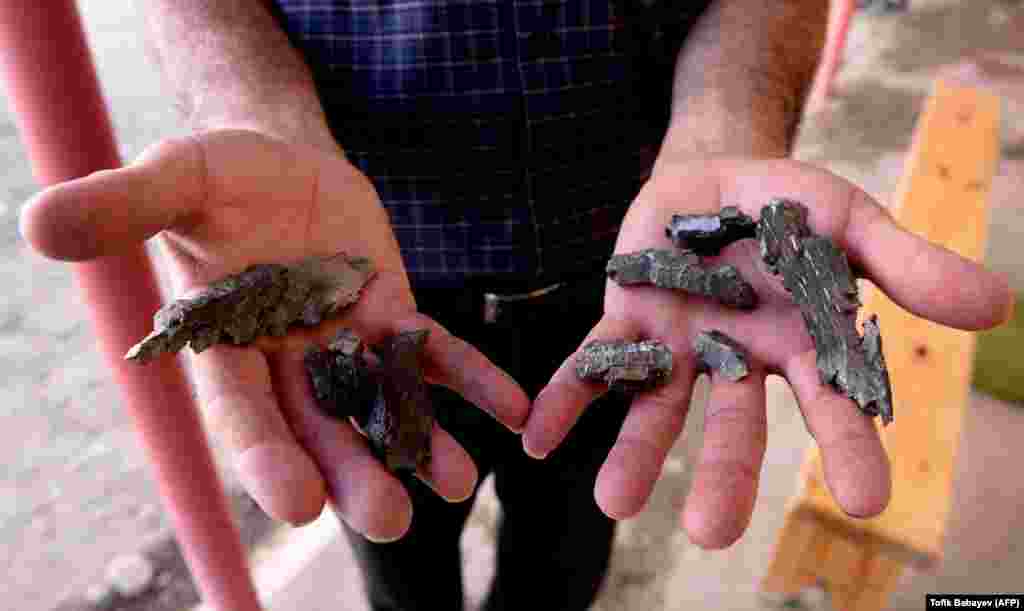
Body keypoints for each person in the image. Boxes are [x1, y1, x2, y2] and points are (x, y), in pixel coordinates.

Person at [18, 1, 1013, 609]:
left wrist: (727, 123)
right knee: (400, 565)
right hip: (369, 295)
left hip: (625, 283)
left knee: (565, 562)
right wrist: (257, 113)